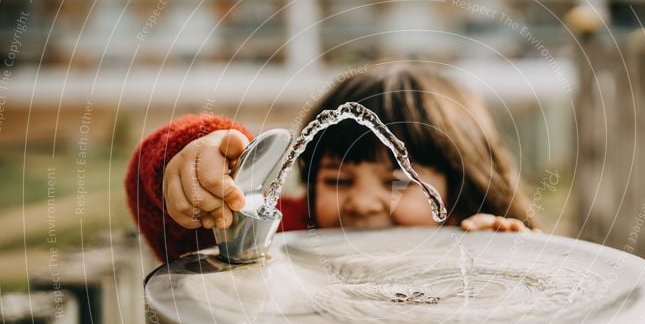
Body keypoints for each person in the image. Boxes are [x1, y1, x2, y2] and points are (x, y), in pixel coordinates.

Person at [125, 62, 536, 262]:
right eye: (338, 181)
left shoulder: (472, 240)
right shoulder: (289, 234)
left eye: (397, 181)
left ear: (460, 189)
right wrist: (198, 162)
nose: (361, 203)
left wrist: (508, 265)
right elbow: (172, 233)